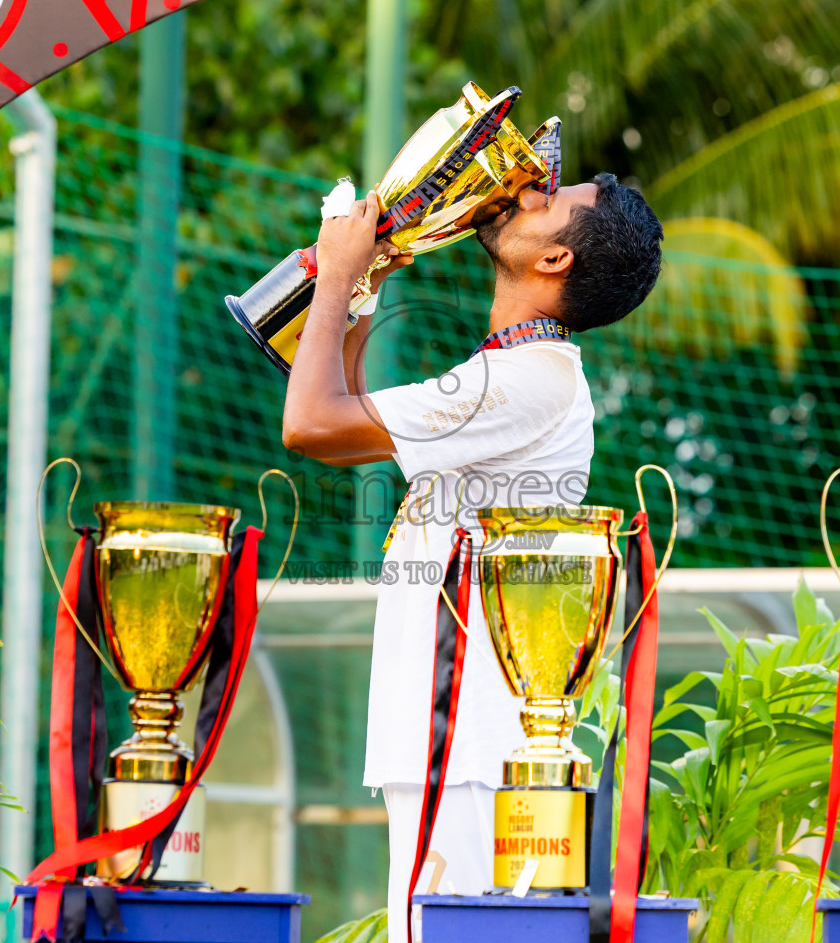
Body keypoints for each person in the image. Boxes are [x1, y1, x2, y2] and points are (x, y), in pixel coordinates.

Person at [280, 174, 663, 943]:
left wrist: (338, 271)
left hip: (464, 729)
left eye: (545, 202)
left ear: (554, 259)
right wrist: (358, 290)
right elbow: (353, 429)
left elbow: (312, 424)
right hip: (452, 731)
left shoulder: (526, 380)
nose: (521, 196)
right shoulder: (523, 371)